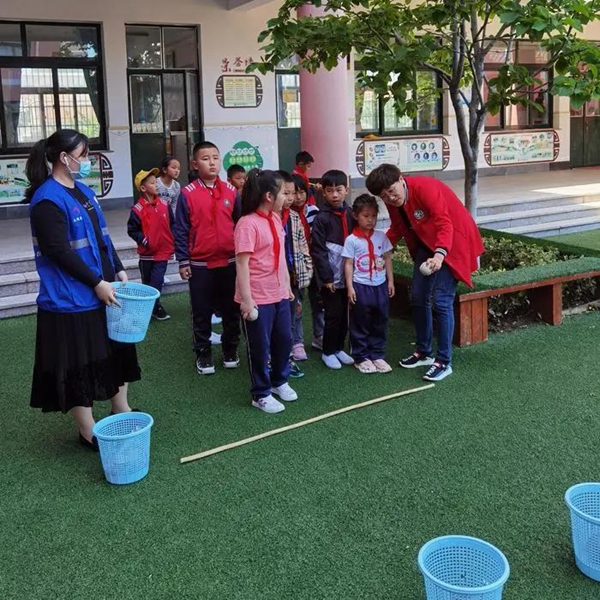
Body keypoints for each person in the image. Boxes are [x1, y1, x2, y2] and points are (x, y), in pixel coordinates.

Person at [25, 129, 140, 450]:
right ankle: (88, 431)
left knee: (116, 351)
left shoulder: (84, 192)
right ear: (64, 158)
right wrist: (96, 283)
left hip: (103, 287)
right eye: (84, 155)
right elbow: (58, 251)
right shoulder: (47, 200)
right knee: (79, 364)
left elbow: (101, 238)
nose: (88, 160)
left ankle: (121, 408)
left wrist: (117, 267)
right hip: (70, 298)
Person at [365, 163, 484, 382]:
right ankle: (424, 352)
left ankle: (444, 361)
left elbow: (444, 224)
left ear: (401, 179)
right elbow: (398, 228)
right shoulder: (393, 201)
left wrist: (439, 255)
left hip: (453, 242)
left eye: (391, 191)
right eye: (383, 196)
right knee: (419, 296)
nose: (390, 198)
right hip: (426, 244)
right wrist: (376, 249)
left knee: (442, 300)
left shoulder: (425, 188)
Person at [174, 141, 241, 374]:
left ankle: (230, 350)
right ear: (195, 164)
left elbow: (240, 224)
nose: (211, 162)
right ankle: (203, 354)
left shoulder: (231, 191)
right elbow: (180, 229)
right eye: (205, 159)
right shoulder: (187, 194)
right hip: (200, 264)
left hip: (230, 263)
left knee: (231, 309)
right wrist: (183, 260)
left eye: (215, 157)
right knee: (201, 311)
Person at [235, 169, 297, 414]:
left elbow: (279, 256)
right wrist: (247, 300)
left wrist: (287, 285)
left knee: (284, 340)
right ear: (269, 196)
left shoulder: (275, 218)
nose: (287, 198)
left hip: (279, 293)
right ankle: (261, 393)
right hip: (257, 297)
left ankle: (279, 381)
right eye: (283, 193)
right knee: (260, 347)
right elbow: (242, 264)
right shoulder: (247, 224)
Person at [342, 194, 395, 373]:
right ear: (356, 216)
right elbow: (348, 264)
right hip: (360, 285)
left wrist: (390, 281)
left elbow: (387, 258)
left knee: (380, 319)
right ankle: (361, 356)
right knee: (360, 321)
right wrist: (350, 287)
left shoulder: (381, 237)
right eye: (366, 216)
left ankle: (377, 354)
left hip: (380, 285)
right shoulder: (351, 240)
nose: (370, 220)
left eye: (373, 215)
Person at [310, 169, 354, 370]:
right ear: (323, 192)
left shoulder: (352, 213)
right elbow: (318, 250)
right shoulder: (321, 218)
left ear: (346, 190)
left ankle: (338, 348)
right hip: (330, 277)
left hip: (349, 276)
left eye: (339, 190)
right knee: (333, 315)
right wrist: (326, 277)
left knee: (345, 314)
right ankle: (327, 351)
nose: (334, 195)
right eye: (329, 191)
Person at [276, 170, 313, 369]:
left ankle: (295, 343)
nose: (291, 198)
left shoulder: (294, 217)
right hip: (275, 278)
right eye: (286, 193)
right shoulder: (269, 217)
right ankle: (282, 350)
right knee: (280, 316)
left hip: (294, 274)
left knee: (296, 310)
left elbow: (303, 245)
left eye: (293, 193)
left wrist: (307, 268)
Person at [127, 168, 175, 321]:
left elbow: (173, 224)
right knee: (147, 283)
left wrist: (173, 240)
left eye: (156, 182)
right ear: (143, 188)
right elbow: (132, 230)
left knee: (157, 281)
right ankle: (152, 308)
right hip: (146, 255)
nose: (157, 185)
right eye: (153, 183)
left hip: (163, 252)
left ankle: (153, 308)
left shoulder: (165, 204)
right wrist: (144, 240)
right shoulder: (137, 210)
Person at [290, 173, 322, 354]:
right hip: (297, 267)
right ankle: (297, 342)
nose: (298, 197)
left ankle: (320, 336)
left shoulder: (313, 211)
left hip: (315, 263)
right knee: (297, 305)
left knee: (319, 302)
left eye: (302, 192)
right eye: (294, 192)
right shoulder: (285, 215)